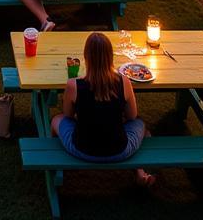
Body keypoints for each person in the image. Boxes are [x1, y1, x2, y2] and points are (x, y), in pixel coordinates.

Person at [50, 31, 154, 187]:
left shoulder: (73, 85)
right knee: (142, 125)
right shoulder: (124, 81)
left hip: (81, 149)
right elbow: (132, 116)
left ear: (86, 56)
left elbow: (68, 115)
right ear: (110, 57)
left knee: (56, 120)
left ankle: (54, 160)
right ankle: (140, 171)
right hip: (119, 150)